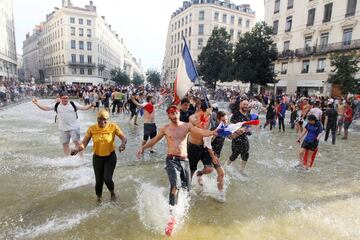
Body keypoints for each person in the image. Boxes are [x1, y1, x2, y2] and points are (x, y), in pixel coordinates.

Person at [137, 105, 217, 209]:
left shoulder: (187, 126)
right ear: (168, 115)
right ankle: (172, 213)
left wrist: (213, 132)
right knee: (175, 186)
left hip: (185, 160)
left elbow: (201, 131)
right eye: (172, 114)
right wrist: (142, 148)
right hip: (172, 159)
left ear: (179, 113)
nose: (174, 116)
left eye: (176, 113)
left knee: (186, 189)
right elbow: (154, 140)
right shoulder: (165, 128)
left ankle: (181, 207)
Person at [72, 109, 127, 203]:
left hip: (110, 157)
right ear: (97, 119)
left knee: (107, 179)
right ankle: (99, 198)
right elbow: (84, 143)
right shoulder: (92, 128)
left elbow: (123, 138)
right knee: (99, 181)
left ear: (107, 119)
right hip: (97, 158)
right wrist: (77, 149)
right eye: (99, 119)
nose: (102, 121)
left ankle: (112, 193)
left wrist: (123, 145)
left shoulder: (112, 126)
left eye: (104, 119)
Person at [32, 91, 93, 155]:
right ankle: (67, 158)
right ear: (60, 98)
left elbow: (84, 108)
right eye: (63, 98)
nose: (65, 99)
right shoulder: (57, 105)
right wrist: (37, 103)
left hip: (74, 127)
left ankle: (81, 158)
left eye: (66, 98)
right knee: (65, 144)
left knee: (77, 143)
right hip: (63, 128)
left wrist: (90, 105)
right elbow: (45, 108)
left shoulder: (73, 103)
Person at [188, 101, 214, 184]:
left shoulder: (209, 117)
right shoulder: (192, 117)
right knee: (192, 170)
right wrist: (206, 114)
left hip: (204, 146)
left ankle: (199, 174)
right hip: (193, 147)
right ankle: (187, 188)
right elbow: (196, 125)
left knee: (209, 168)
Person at [227, 99, 252, 176]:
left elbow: (249, 126)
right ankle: (226, 167)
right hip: (236, 138)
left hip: (244, 137)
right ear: (241, 105)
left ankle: (241, 170)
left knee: (246, 154)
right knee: (234, 155)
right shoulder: (236, 115)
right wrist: (238, 130)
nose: (245, 106)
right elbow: (230, 127)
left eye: (247, 105)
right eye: (244, 104)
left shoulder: (248, 115)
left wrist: (248, 130)